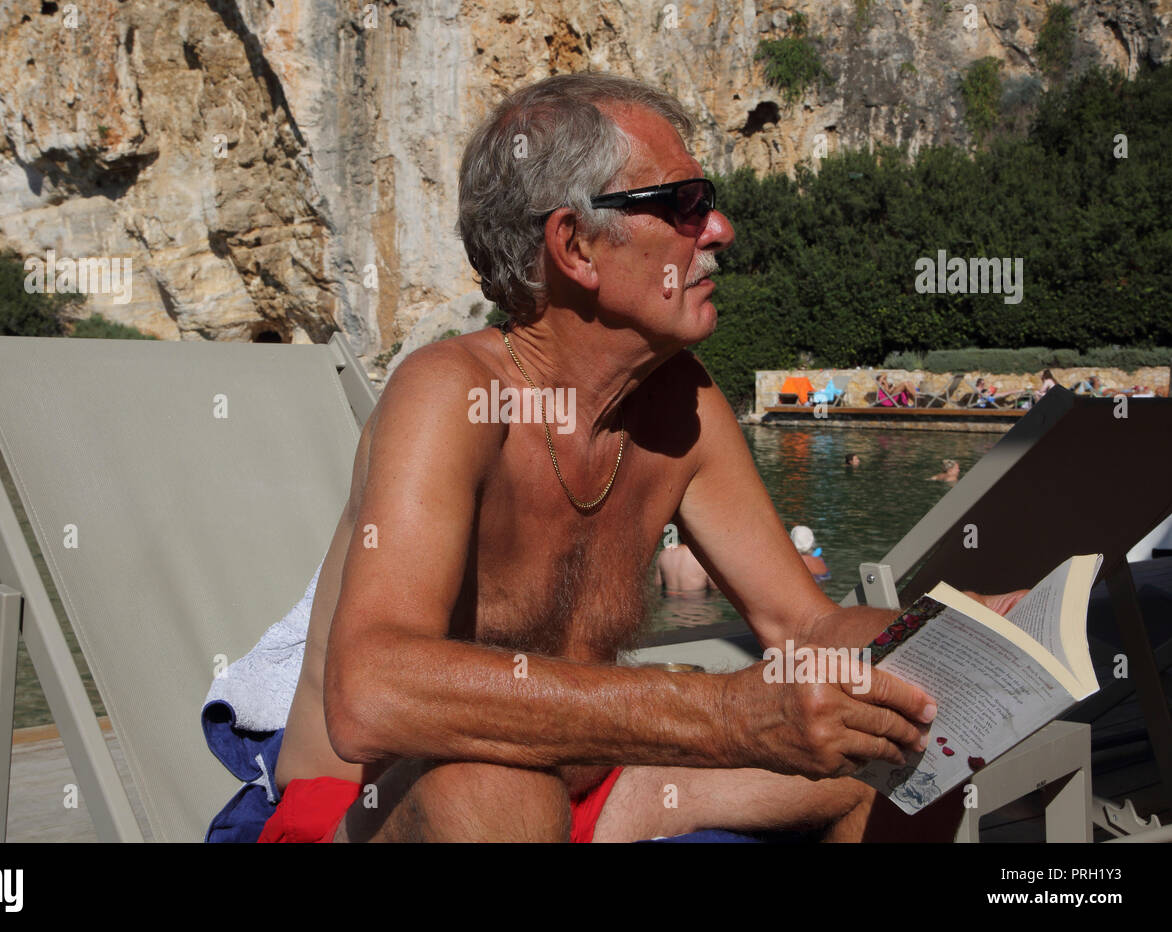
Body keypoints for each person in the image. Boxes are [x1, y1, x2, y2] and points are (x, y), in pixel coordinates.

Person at [268, 72, 1028, 844]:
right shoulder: (450, 396)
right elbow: (370, 695)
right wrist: (727, 714)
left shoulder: (682, 407)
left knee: (886, 762)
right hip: (369, 811)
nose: (720, 228)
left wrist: (958, 635)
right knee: (495, 789)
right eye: (682, 205)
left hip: (592, 788)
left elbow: (803, 623)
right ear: (575, 245)